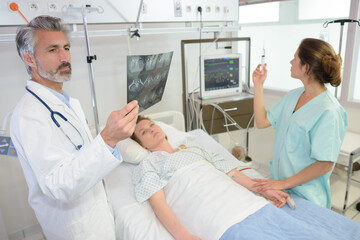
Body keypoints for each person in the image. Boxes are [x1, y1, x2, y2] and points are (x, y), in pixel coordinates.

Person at [10, 15, 139, 239]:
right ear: (29, 58)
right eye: (52, 50)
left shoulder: (65, 101)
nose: (64, 57)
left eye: (66, 48)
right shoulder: (29, 115)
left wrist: (108, 138)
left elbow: (79, 155)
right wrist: (107, 139)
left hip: (95, 213)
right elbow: (59, 185)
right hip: (75, 228)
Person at [131, 116, 289, 240]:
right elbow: (158, 203)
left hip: (246, 203)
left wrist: (262, 190)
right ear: (142, 145)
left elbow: (230, 171)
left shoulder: (194, 149)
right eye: (144, 132)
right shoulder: (149, 164)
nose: (151, 130)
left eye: (151, 125)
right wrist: (183, 236)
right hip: (218, 217)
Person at [252, 38, 348, 208]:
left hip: (306, 196)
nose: (291, 61)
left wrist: (283, 184)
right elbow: (262, 122)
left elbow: (324, 164)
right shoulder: (294, 96)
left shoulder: (329, 112)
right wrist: (258, 86)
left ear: (306, 67)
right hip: (280, 187)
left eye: (295, 58)